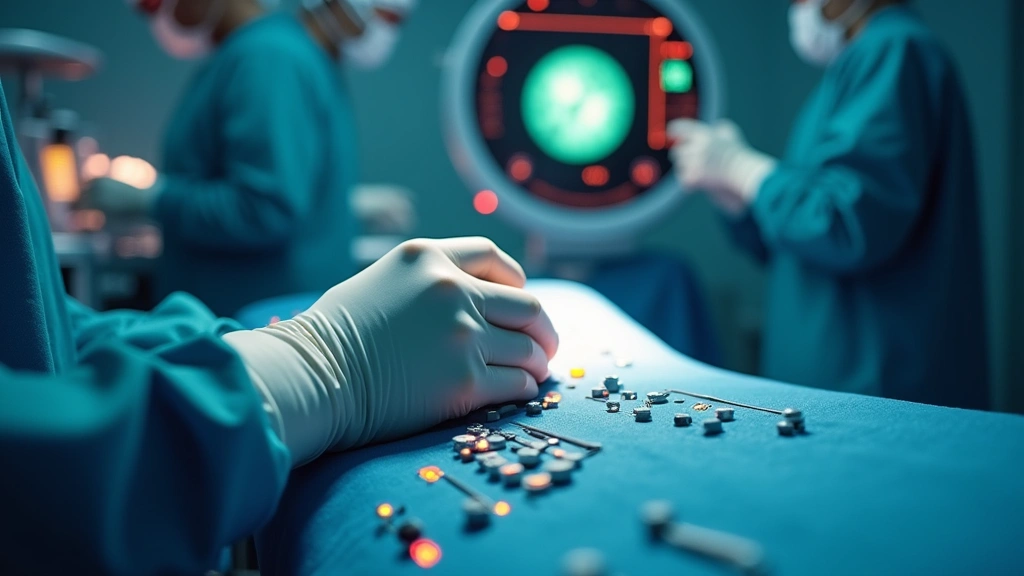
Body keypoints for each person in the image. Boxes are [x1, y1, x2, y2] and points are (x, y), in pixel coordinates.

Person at [0, 78, 558, 573]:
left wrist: (245, 358)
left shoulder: (271, 58)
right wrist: (314, 367)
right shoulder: (268, 57)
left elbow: (44, 331)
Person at [669, 0, 988, 409]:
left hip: (874, 393)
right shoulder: (859, 66)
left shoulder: (894, 49)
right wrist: (738, 196)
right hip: (833, 389)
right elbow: (803, 248)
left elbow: (846, 225)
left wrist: (741, 168)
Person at [79, 0, 414, 316]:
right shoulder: (273, 53)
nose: (155, 15)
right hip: (265, 321)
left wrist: (153, 200)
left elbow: (266, 208)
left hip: (248, 327)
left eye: (152, 3)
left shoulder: (267, 57)